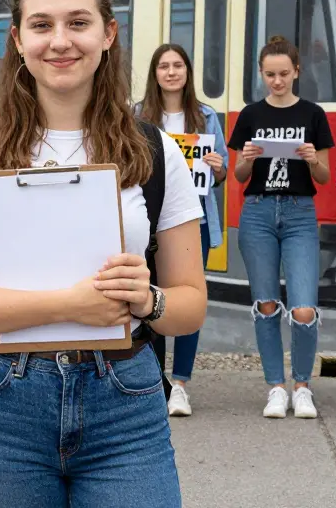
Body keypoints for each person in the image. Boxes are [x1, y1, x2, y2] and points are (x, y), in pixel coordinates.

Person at [0, 0, 207, 506]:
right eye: (41, 26)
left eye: (78, 23)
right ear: (18, 40)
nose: (60, 41)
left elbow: (189, 305)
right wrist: (69, 303)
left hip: (125, 400)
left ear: (108, 33)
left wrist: (149, 299)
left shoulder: (156, 152)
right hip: (3, 404)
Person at [227, 35, 333, 419]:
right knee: (267, 304)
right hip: (257, 211)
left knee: (304, 308)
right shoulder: (251, 115)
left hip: (300, 212)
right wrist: (249, 159)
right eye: (270, 74)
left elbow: (323, 177)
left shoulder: (312, 114)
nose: (277, 81)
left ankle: (301, 385)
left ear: (297, 72)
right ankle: (276, 386)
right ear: (261, 73)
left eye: (284, 74)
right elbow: (238, 174)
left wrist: (310, 159)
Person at [136, 43, 227, 418]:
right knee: (148, 302)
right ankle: (154, 381)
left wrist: (217, 165)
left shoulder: (205, 116)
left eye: (177, 66)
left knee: (189, 302)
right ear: (155, 74)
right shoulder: (139, 115)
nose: (171, 72)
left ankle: (182, 385)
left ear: (187, 72)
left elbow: (220, 175)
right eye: (164, 66)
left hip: (195, 223)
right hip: (149, 224)